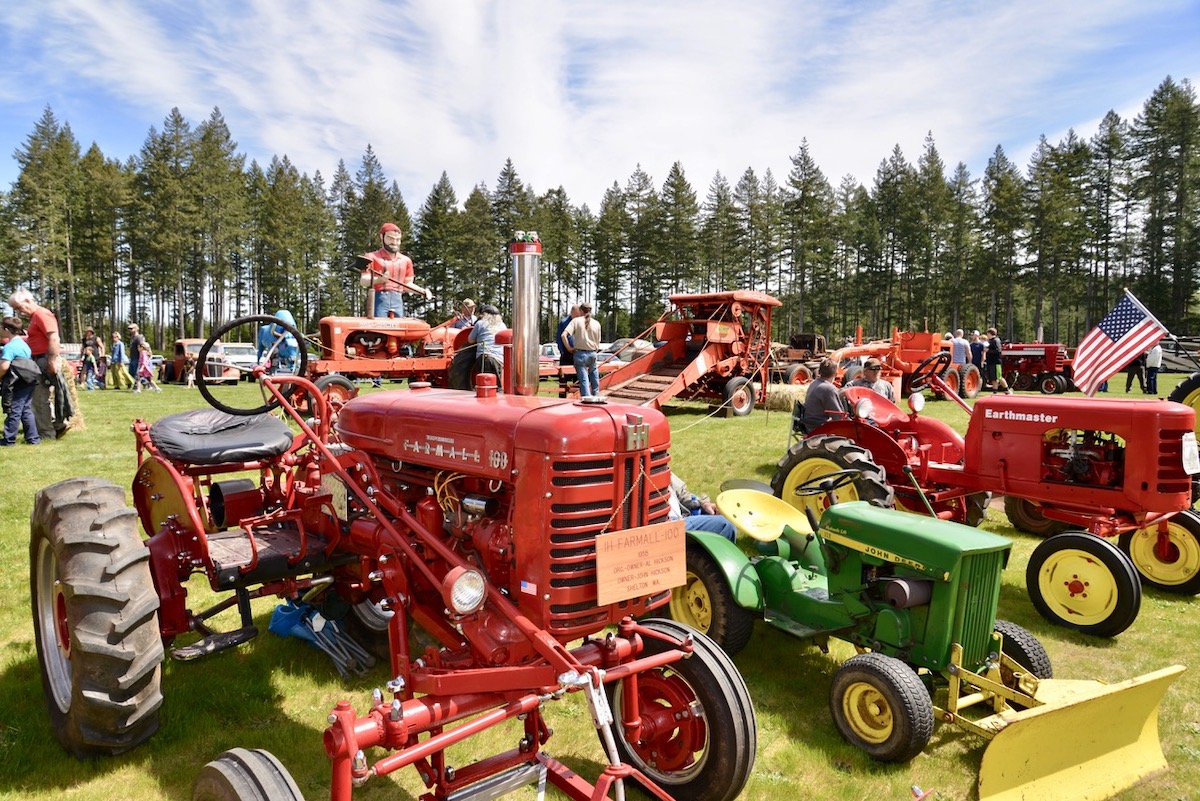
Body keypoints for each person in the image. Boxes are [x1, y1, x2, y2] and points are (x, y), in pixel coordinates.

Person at [7, 288, 71, 440]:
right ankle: (57, 425)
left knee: (38, 398)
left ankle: (46, 434)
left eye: (19, 307)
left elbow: (54, 338)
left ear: (28, 301)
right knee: (44, 397)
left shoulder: (41, 314)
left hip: (44, 359)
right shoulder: (36, 317)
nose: (19, 312)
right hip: (41, 359)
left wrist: (52, 360)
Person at [359, 223, 431, 318]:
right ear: (382, 237)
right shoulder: (371, 257)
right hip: (379, 299)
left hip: (398, 300)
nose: (394, 242)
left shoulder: (406, 261)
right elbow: (363, 281)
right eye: (390, 238)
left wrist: (422, 291)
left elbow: (407, 285)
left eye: (398, 239)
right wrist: (379, 280)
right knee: (379, 328)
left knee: (398, 329)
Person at [1, 316, 41, 446]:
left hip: (17, 381)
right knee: (26, 409)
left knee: (14, 409)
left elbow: (4, 366)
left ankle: (9, 439)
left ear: (6, 329)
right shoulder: (25, 346)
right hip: (29, 379)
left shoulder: (9, 347)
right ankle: (33, 438)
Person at [667, 473, 735, 541]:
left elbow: (682, 494)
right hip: (667, 525)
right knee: (725, 524)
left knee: (726, 516)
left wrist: (704, 504)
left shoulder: (661, 468)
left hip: (681, 518)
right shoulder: (657, 470)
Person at [561, 303, 603, 397]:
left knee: (583, 378)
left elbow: (563, 335)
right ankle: (596, 394)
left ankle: (586, 397)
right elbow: (598, 341)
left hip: (580, 353)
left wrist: (569, 348)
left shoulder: (576, 321)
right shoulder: (596, 323)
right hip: (592, 352)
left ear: (580, 311)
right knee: (594, 373)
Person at [800, 358, 846, 432]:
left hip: (808, 421)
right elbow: (838, 416)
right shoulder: (829, 389)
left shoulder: (814, 383)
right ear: (836, 374)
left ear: (819, 371)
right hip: (819, 425)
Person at [468, 304, 507, 381]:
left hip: (484, 356)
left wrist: (479, 339)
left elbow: (470, 340)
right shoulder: (502, 326)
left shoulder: (480, 323)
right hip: (498, 358)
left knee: (484, 383)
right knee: (496, 385)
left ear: (485, 314)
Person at [556, 305, 580, 396]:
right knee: (563, 378)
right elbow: (559, 337)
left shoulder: (579, 322)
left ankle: (576, 396)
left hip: (577, 354)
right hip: (566, 354)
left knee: (577, 378)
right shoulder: (564, 323)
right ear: (572, 312)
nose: (578, 316)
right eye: (577, 314)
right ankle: (562, 397)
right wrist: (562, 351)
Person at [984, 328, 1011, 394]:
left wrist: (988, 351)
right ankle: (995, 391)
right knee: (993, 378)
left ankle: (1007, 390)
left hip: (996, 362)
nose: (987, 335)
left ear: (990, 333)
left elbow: (998, 350)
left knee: (999, 377)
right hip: (990, 362)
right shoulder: (990, 341)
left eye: (987, 333)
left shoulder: (996, 340)